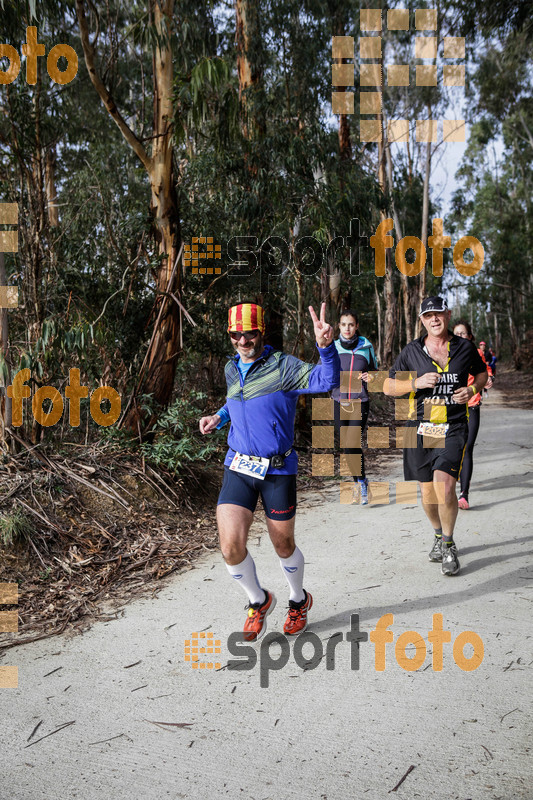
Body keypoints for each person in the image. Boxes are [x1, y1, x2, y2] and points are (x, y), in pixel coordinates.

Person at [199, 302, 340, 641]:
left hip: (277, 469)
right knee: (231, 546)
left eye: (249, 333)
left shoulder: (283, 367)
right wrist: (220, 417)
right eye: (236, 334)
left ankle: (297, 600)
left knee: (283, 543)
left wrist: (326, 347)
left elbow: (325, 379)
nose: (243, 340)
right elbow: (237, 398)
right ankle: (258, 601)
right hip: (239, 466)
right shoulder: (232, 369)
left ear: (261, 332)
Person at [384, 297, 488, 576]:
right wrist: (415, 383)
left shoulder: (464, 348)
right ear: (422, 320)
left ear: (448, 315)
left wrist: (472, 390)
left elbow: (480, 375)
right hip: (420, 427)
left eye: (438, 314)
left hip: (454, 426)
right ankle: (438, 534)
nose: (434, 319)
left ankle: (449, 544)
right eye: (428, 315)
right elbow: (388, 386)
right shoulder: (411, 351)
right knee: (427, 493)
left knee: (445, 487)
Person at [331, 309, 377, 505]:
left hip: (360, 401)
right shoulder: (332, 348)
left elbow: (375, 372)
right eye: (343, 324)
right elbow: (323, 371)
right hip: (339, 401)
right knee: (347, 446)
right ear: (339, 326)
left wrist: (372, 377)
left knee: (352, 442)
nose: (347, 328)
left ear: (356, 326)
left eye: (351, 324)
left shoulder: (366, 347)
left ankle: (361, 484)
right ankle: (360, 480)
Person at [453, 321, 493, 510]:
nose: (460, 337)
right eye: (456, 334)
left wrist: (487, 380)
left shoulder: (476, 354)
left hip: (472, 405)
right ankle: (447, 486)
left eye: (463, 334)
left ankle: (464, 494)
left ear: (470, 337)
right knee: (451, 449)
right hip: (450, 409)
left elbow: (483, 372)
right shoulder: (445, 354)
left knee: (467, 448)